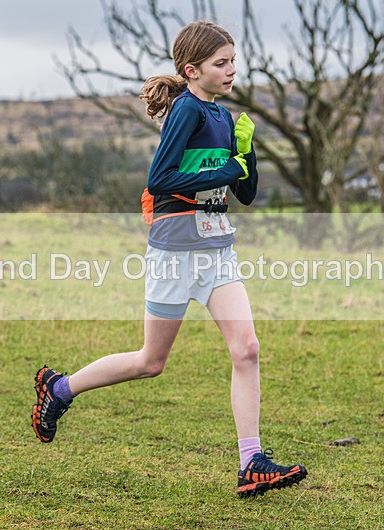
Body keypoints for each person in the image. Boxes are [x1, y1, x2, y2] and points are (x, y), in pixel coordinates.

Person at [31, 20, 307, 498]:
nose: (232, 71)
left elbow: (244, 192)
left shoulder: (221, 116)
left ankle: (251, 463)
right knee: (151, 361)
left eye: (233, 62)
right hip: (176, 251)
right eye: (221, 64)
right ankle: (58, 389)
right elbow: (160, 177)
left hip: (218, 247)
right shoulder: (187, 110)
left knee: (247, 349)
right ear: (192, 69)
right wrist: (224, 164)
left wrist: (247, 153)